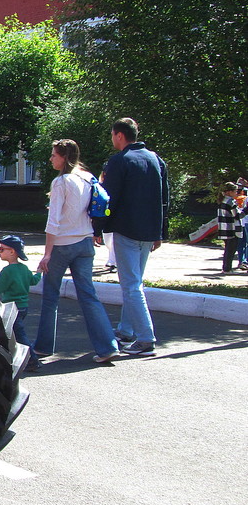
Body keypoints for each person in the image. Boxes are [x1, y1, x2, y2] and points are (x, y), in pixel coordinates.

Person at [31, 139, 120, 364]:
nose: (51, 159)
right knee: (89, 296)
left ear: (64, 157)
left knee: (50, 297)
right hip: (85, 243)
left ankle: (43, 347)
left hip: (62, 245)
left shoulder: (61, 182)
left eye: (54, 155)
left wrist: (47, 254)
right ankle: (108, 346)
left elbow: (54, 221)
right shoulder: (87, 177)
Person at [99, 117, 169, 357]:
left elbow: (110, 198)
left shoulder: (119, 161)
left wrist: (100, 228)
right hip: (149, 231)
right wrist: (161, 232)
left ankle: (145, 339)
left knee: (131, 285)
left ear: (119, 135)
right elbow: (164, 199)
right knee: (135, 283)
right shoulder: (155, 159)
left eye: (112, 135)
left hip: (126, 230)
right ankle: (126, 330)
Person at [0, 234, 42, 371]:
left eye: (2, 249)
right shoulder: (24, 269)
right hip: (23, 307)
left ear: (12, 252)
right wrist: (39, 272)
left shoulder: (7, 271)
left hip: (12, 308)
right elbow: (34, 281)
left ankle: (32, 361)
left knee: (19, 336)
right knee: (14, 334)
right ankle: (13, 358)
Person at [216, 182, 248, 274]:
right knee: (231, 249)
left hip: (224, 228)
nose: (236, 193)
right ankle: (227, 269)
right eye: (235, 191)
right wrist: (246, 210)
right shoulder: (230, 202)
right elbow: (237, 216)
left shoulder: (222, 201)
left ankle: (226, 268)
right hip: (232, 228)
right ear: (229, 192)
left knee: (228, 249)